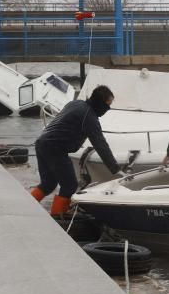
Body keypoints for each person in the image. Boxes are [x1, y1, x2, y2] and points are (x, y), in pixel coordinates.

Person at [30, 85, 121, 215]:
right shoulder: (89, 116)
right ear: (100, 103)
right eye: (107, 105)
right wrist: (115, 169)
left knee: (48, 184)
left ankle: (25, 208)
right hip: (55, 148)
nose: (108, 109)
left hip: (42, 143)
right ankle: (58, 219)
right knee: (69, 186)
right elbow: (101, 145)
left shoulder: (76, 103)